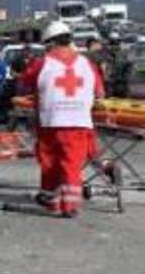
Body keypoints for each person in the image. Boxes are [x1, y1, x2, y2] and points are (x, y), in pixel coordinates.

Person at [19, 21, 104, 218]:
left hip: (50, 121)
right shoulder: (88, 64)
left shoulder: (42, 63)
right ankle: (63, 203)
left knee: (50, 162)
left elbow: (23, 85)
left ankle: (62, 204)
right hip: (78, 122)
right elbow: (99, 93)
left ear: (50, 43)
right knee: (71, 163)